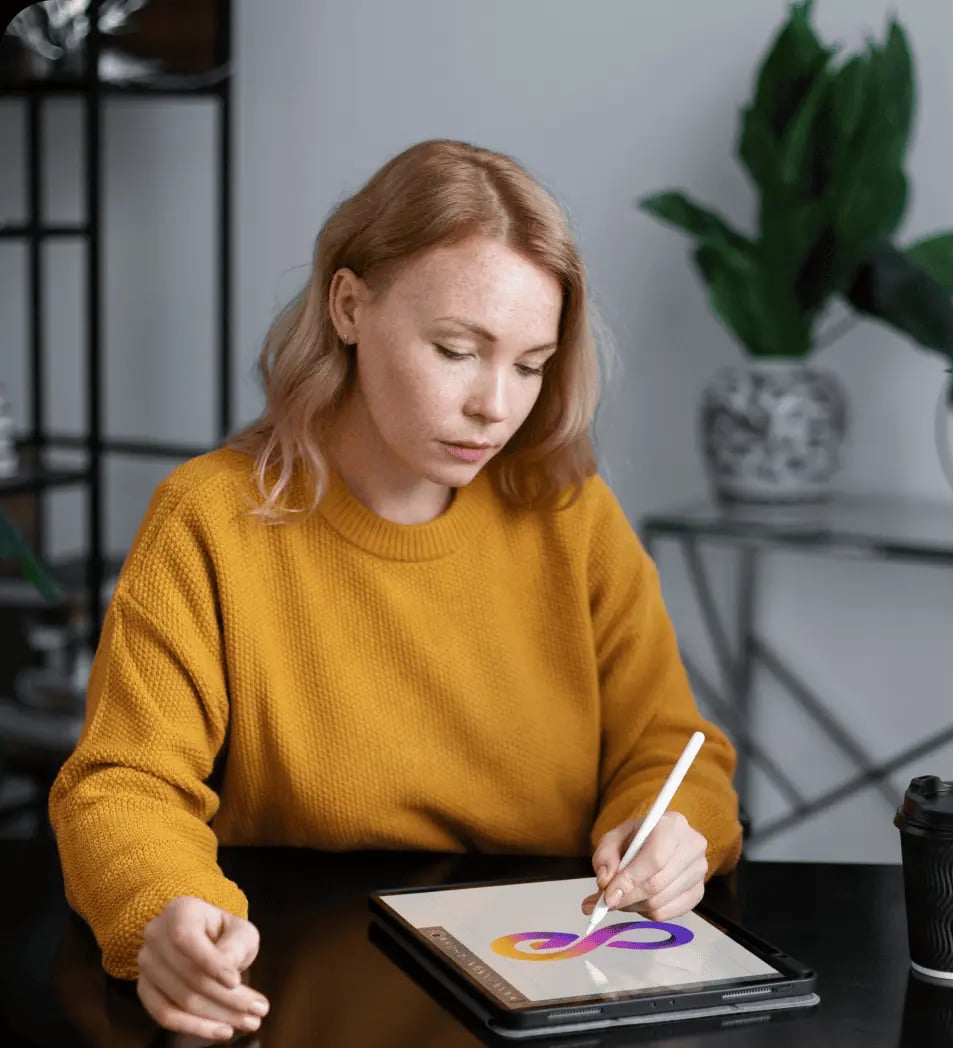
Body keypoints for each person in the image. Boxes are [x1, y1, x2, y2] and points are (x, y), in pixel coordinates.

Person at [48, 138, 743, 1043]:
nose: (496, 405)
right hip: (295, 986)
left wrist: (671, 827)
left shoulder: (571, 515)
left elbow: (672, 748)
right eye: (457, 350)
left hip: (546, 988)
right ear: (348, 306)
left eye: (531, 364)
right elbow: (123, 783)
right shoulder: (209, 518)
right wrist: (166, 907)